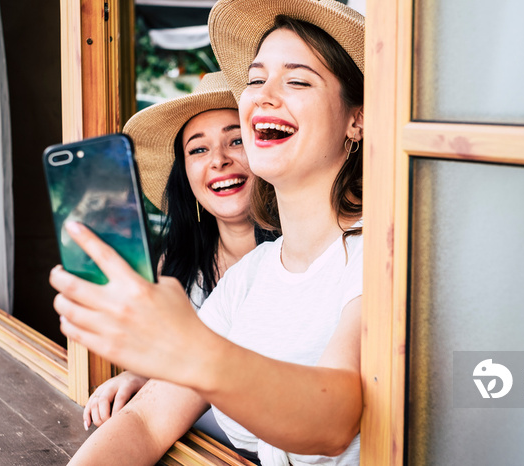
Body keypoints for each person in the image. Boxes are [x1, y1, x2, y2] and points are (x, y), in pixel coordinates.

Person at [50, 0, 365, 464]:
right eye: (255, 80)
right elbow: (144, 422)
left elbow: (332, 421)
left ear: (357, 119)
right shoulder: (252, 276)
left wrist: (190, 349)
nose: (262, 95)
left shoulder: (382, 252)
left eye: (297, 80)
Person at [83, 72, 265, 450]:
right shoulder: (179, 264)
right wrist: (137, 376)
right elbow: (165, 374)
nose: (219, 160)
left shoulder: (300, 261)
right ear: (185, 174)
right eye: (198, 149)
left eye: (236, 140)